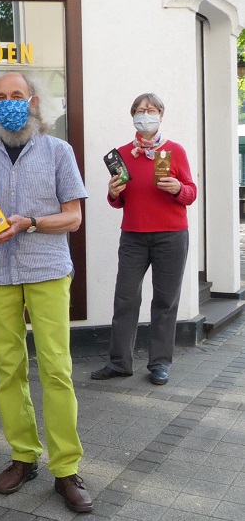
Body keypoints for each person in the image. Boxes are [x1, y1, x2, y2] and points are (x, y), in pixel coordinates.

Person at [0, 72, 92, 513]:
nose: (9, 102)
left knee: (56, 369)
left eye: (17, 95)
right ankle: (23, 457)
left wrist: (30, 222)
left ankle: (66, 469)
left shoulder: (58, 151)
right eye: (0, 97)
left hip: (48, 270)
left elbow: (72, 217)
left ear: (33, 101)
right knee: (8, 369)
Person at [92, 94, 196, 386]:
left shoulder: (175, 151)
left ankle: (160, 363)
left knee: (165, 301)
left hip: (171, 236)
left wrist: (177, 187)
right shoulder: (122, 154)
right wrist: (113, 192)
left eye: (150, 110)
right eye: (139, 111)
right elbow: (119, 200)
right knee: (125, 298)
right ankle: (119, 362)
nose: (145, 115)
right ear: (133, 117)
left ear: (161, 115)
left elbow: (190, 192)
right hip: (134, 236)